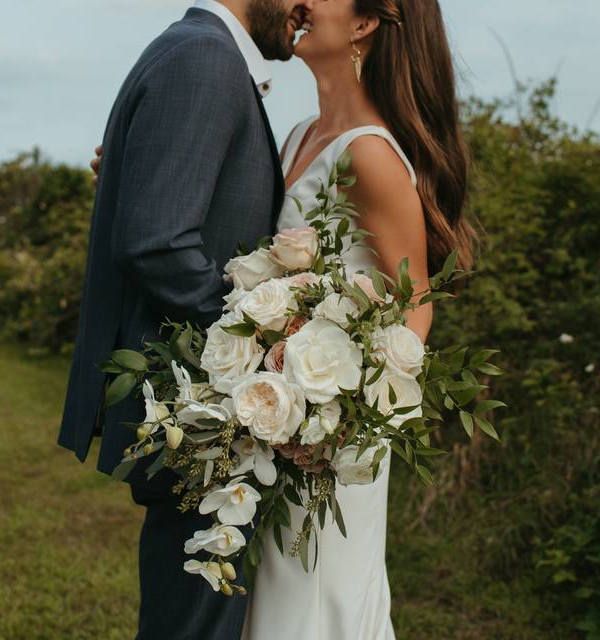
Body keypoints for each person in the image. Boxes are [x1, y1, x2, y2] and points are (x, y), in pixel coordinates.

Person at [89, 1, 478, 638]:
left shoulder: (372, 156)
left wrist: (323, 410)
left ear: (363, 24)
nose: (299, 1)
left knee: (309, 606)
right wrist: (141, 172)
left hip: (323, 442)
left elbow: (414, 312)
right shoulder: (298, 136)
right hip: (273, 430)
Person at [57, 2, 309, 639]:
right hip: (197, 412)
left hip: (202, 414)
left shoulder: (197, 52)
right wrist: (256, 341)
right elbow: (155, 241)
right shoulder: (204, 58)